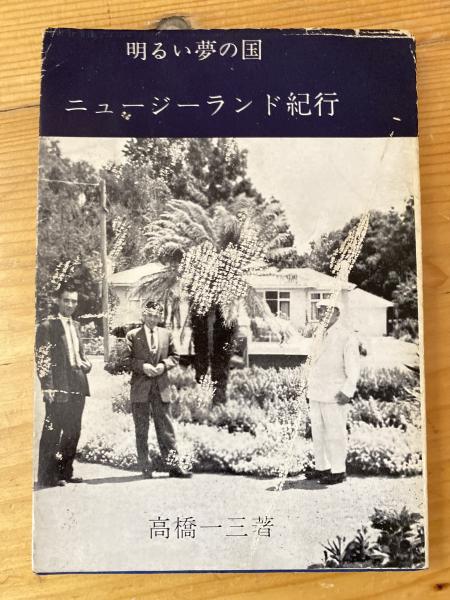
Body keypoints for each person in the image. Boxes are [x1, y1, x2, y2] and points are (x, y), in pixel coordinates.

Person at [125, 300, 191, 479]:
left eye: (156, 316)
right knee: (141, 429)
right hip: (140, 388)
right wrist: (142, 366)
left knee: (166, 429)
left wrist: (163, 365)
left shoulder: (166, 334)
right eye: (149, 315)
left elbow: (175, 356)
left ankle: (174, 466)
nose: (153, 319)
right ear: (143, 315)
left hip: (161, 387)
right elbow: (125, 359)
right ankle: (145, 467)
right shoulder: (132, 335)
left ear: (160, 317)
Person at [36, 282, 92, 487]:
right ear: (57, 301)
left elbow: (80, 354)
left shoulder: (76, 325)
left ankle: (65, 472)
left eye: (73, 301)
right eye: (66, 300)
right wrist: (47, 385)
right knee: (53, 430)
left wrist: (87, 364)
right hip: (58, 385)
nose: (70, 305)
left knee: (73, 430)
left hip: (78, 383)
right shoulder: (47, 327)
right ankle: (47, 476)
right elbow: (42, 358)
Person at [305, 299, 360, 485]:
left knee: (335, 433)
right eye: (320, 310)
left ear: (337, 313)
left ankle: (338, 471)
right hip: (316, 392)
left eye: (327, 310)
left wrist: (347, 391)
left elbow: (353, 367)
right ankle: (322, 467)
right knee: (318, 432)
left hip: (335, 394)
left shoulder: (346, 336)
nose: (322, 314)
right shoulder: (318, 334)